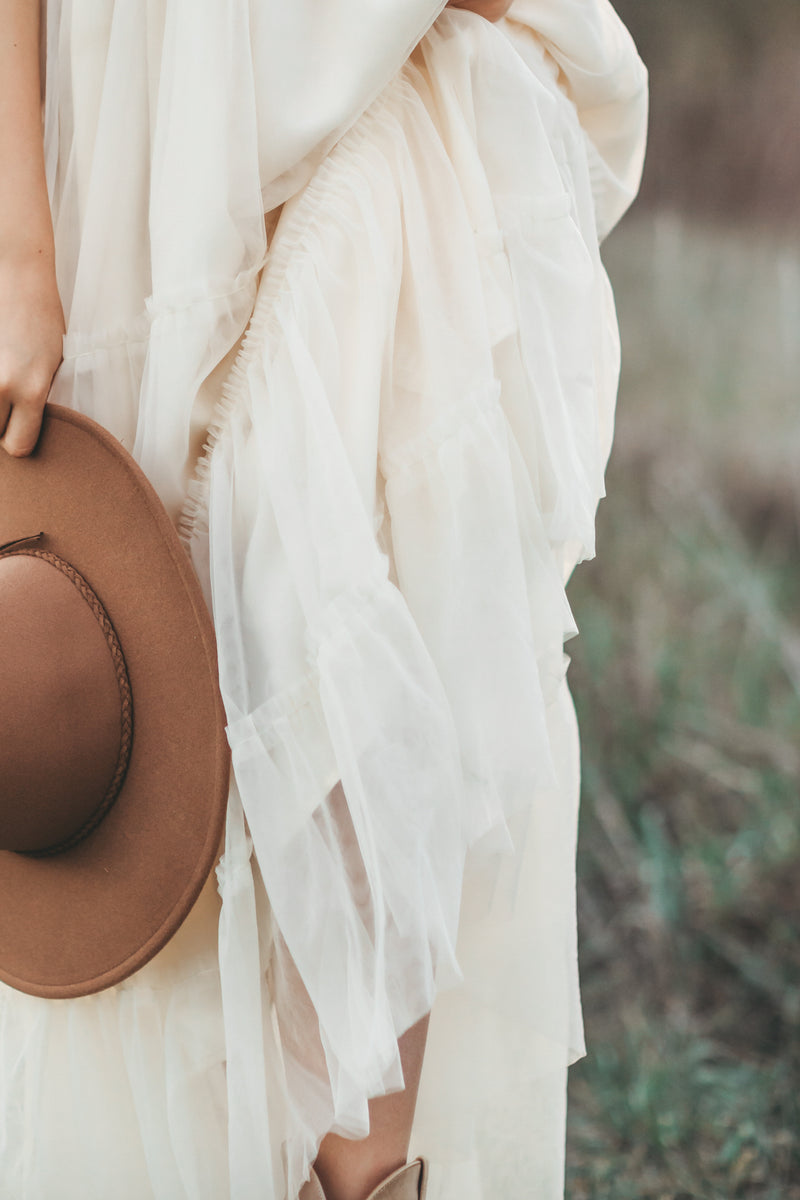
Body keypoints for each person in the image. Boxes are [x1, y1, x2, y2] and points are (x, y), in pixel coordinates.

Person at [0, 2, 647, 1198]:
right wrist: (17, 245)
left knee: (381, 670)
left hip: (369, 67)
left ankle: (363, 1170)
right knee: (155, 701)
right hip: (150, 112)